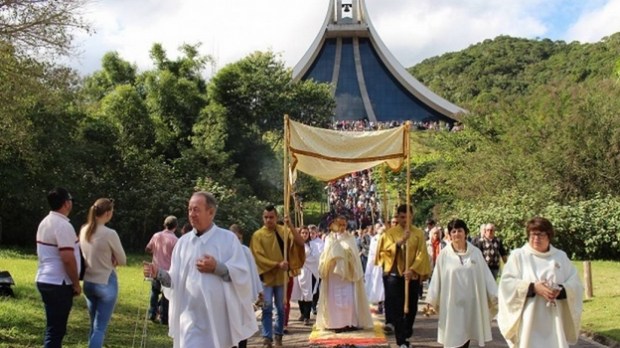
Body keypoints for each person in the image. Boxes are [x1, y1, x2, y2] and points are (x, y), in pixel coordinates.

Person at [143, 191, 257, 348]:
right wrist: (158, 274)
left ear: (211, 212)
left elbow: (242, 275)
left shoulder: (227, 240)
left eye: (196, 209)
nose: (191, 214)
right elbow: (174, 280)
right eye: (189, 209)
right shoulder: (183, 243)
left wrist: (217, 267)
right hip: (189, 318)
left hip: (218, 321)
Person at [498, 217, 583, 348]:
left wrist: (560, 290)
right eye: (532, 234)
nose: (536, 238)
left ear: (549, 235)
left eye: (540, 234)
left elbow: (576, 283)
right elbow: (506, 284)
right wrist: (532, 287)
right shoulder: (519, 256)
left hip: (555, 319)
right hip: (529, 320)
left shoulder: (560, 256)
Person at [426, 219, 498, 348]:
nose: (457, 234)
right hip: (452, 304)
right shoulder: (444, 255)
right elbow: (437, 278)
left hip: (471, 304)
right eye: (453, 231)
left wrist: (495, 296)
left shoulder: (476, 253)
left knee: (466, 336)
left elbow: (486, 276)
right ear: (449, 234)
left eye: (460, 230)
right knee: (453, 339)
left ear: (466, 233)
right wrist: (431, 300)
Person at [375, 204, 431, 348]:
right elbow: (384, 253)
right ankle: (401, 341)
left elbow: (422, 254)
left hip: (411, 276)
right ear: (397, 217)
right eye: (401, 217)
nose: (405, 220)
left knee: (411, 307)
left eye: (407, 217)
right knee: (398, 308)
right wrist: (399, 243)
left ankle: (406, 331)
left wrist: (412, 269)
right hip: (394, 275)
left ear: (412, 216)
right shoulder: (390, 233)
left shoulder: (418, 233)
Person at [250, 205, 305, 348]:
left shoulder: (284, 231)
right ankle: (267, 338)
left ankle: (278, 335)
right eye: (266, 217)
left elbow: (300, 242)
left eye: (271, 217)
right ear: (263, 218)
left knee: (280, 308)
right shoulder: (257, 235)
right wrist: (276, 264)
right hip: (267, 279)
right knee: (267, 308)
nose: (268, 220)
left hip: (282, 278)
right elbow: (258, 257)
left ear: (276, 218)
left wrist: (291, 225)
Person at [35, 187, 81, 348]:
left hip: (45, 278)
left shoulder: (45, 222)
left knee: (53, 328)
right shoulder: (63, 225)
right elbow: (68, 259)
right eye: (71, 201)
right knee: (56, 331)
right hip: (58, 282)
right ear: (66, 203)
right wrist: (76, 283)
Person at [79, 198, 127, 348]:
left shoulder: (84, 230)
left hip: (89, 281)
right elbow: (123, 259)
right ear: (107, 213)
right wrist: (113, 259)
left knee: (93, 326)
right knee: (100, 329)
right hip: (106, 281)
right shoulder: (110, 233)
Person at [315, 215, 373, 332]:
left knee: (348, 298)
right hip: (333, 274)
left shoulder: (350, 238)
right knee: (334, 298)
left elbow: (354, 256)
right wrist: (334, 254)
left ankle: (349, 322)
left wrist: (345, 254)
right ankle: (335, 323)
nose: (342, 227)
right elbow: (325, 255)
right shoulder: (329, 239)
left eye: (344, 225)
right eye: (339, 224)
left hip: (347, 274)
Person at [230, 224, 263, 348]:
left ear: (241, 237)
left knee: (243, 324)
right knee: (231, 325)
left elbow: (253, 272)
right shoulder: (224, 251)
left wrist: (258, 291)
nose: (236, 241)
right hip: (230, 294)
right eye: (233, 238)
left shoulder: (245, 251)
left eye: (238, 238)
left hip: (244, 294)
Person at [145, 215, 179, 325]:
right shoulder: (176, 240)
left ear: (164, 224)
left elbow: (148, 248)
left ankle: (152, 313)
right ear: (176, 226)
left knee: (154, 292)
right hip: (168, 271)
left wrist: (155, 252)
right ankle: (164, 317)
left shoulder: (156, 235)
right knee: (166, 295)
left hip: (155, 268)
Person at [291, 226, 320, 326]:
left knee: (308, 294)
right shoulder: (295, 244)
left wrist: (305, 260)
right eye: (302, 233)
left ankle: (307, 316)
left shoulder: (312, 245)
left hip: (309, 271)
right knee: (299, 294)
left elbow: (316, 258)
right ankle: (302, 313)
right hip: (299, 271)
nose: (304, 235)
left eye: (306, 233)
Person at [365, 223, 385, 314]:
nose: (379, 229)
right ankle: (379, 302)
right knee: (377, 284)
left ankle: (383, 302)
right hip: (376, 265)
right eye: (377, 228)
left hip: (385, 263)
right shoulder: (374, 239)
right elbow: (372, 253)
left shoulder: (387, 237)